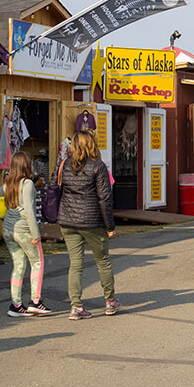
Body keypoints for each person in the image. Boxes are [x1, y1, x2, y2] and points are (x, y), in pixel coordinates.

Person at [54, 131, 119, 320]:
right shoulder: (98, 166)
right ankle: (110, 302)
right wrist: (110, 226)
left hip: (68, 220)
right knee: (103, 261)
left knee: (75, 264)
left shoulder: (64, 164)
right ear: (92, 145)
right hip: (92, 221)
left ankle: (76, 306)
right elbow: (105, 198)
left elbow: (54, 186)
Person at [0, 151, 51, 317]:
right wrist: (36, 234)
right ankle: (35, 302)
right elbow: (30, 212)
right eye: (31, 163)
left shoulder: (8, 182)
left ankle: (16, 305)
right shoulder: (27, 184)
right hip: (24, 230)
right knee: (37, 262)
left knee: (18, 265)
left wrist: (5, 216)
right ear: (26, 166)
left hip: (9, 230)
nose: (33, 165)